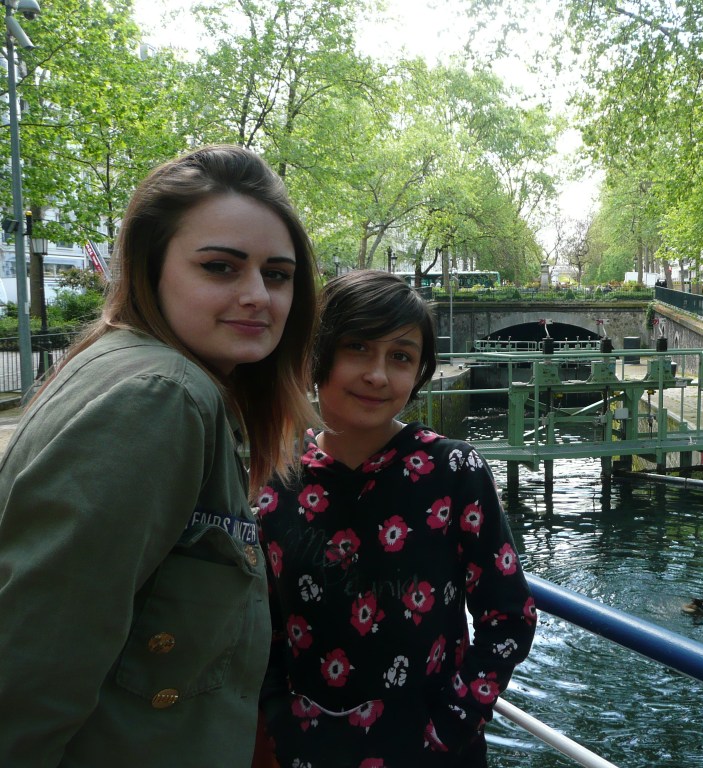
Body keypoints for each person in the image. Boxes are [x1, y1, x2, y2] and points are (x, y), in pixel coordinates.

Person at [0, 145, 320, 766]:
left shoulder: (124, 367)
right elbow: (33, 668)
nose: (258, 294)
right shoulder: (164, 398)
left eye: (278, 275)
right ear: (151, 268)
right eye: (220, 267)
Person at [256, 270, 536, 768]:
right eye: (358, 348)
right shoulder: (277, 480)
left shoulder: (454, 471)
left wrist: (450, 726)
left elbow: (508, 617)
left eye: (401, 357)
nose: (378, 375)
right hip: (308, 751)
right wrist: (278, 715)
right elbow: (264, 623)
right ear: (317, 354)